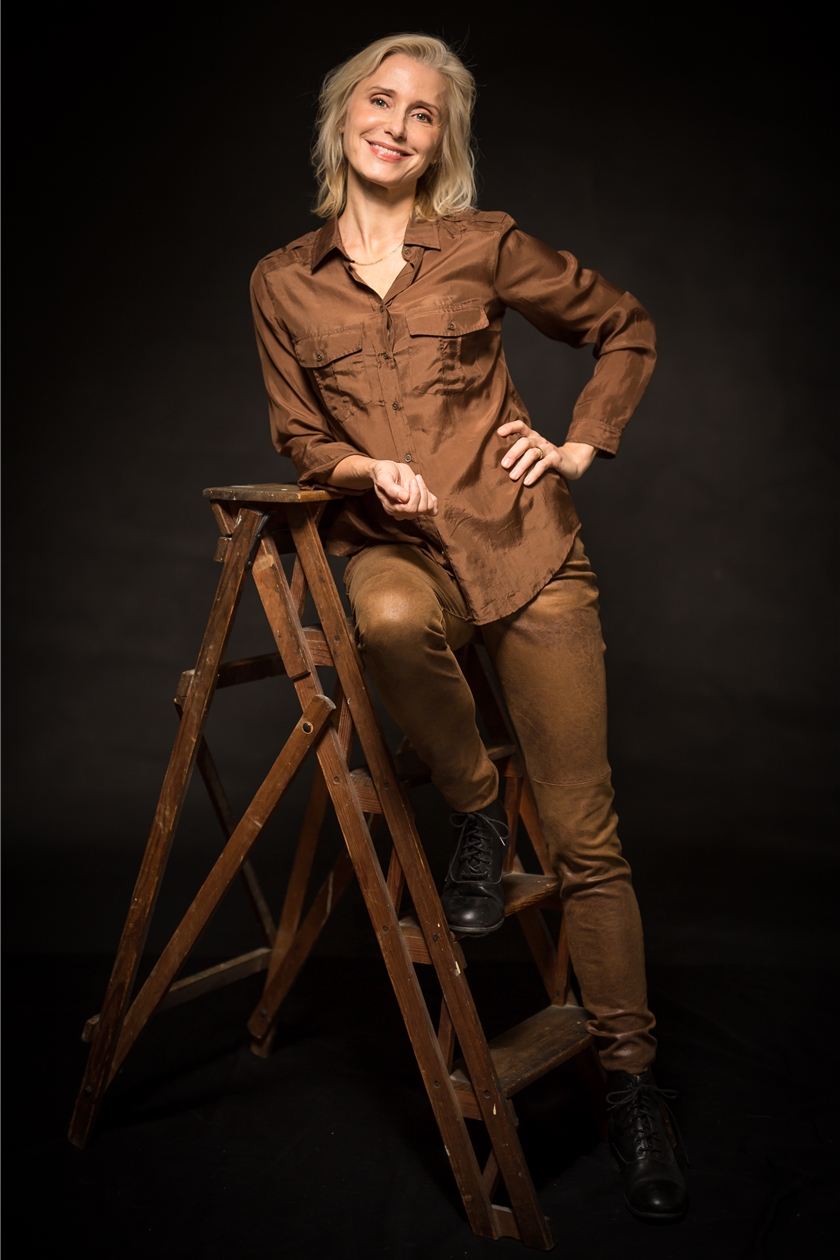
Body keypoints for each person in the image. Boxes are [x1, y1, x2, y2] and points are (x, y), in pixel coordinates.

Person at [250, 33, 687, 1224]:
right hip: (398, 548)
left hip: (527, 550)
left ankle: (631, 1084)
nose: (396, 125)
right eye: (379, 100)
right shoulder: (282, 280)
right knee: (384, 616)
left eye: (423, 114)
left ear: (444, 140)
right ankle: (479, 809)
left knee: (588, 841)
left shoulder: (482, 244)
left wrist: (581, 443)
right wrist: (361, 468)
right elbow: (299, 434)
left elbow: (624, 323)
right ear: (342, 114)